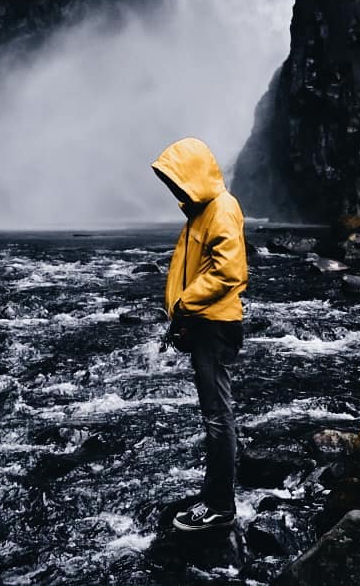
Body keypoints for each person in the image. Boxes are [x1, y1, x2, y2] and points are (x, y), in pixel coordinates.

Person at [152, 136, 248, 533]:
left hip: (214, 326)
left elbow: (229, 271)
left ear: (194, 174)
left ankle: (220, 506)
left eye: (177, 180)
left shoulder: (220, 209)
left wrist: (184, 304)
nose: (174, 189)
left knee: (217, 417)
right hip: (205, 323)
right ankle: (215, 497)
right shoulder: (201, 211)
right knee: (215, 415)